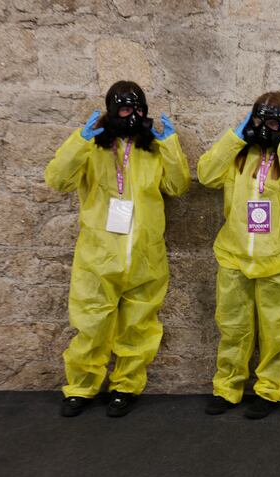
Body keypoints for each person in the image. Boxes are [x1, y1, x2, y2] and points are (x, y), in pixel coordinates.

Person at [45, 81, 191, 418]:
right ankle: (81, 387)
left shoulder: (152, 150)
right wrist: (79, 142)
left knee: (139, 327)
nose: (132, 115)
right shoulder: (93, 149)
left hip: (145, 257)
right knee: (91, 325)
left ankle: (125, 386)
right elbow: (57, 180)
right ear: (111, 110)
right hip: (98, 256)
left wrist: (169, 145)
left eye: (138, 109)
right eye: (125, 108)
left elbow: (177, 185)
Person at [197, 92, 280, 419]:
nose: (263, 126)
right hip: (235, 256)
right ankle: (227, 388)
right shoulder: (240, 154)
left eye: (272, 121)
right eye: (258, 118)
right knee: (233, 327)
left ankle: (269, 390)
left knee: (274, 332)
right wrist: (235, 137)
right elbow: (206, 174)